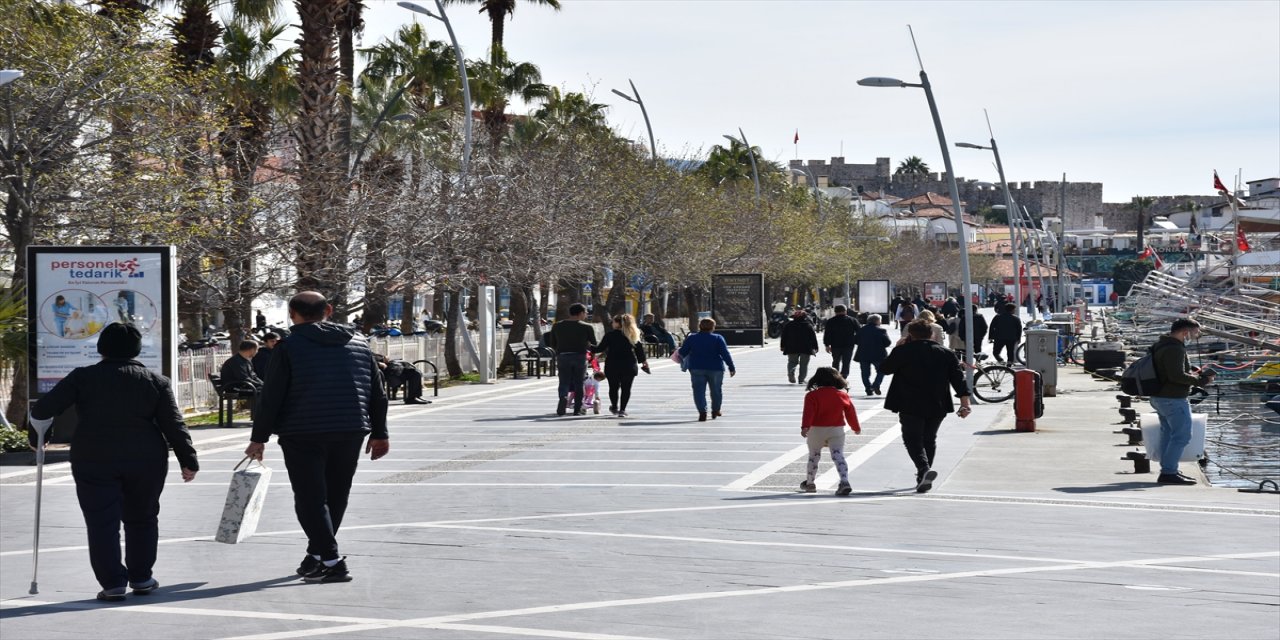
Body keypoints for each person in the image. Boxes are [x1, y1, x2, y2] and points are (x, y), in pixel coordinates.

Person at [29, 323, 198, 601]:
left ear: (101, 348)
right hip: (146, 459)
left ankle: (112, 584)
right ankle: (142, 577)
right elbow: (173, 424)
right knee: (143, 518)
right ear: (137, 349)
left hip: (94, 458)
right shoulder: (155, 381)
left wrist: (39, 437)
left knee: (101, 522)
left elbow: (43, 411)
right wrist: (188, 459)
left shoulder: (82, 377)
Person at [245, 291, 389, 584]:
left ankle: (332, 561)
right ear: (329, 310)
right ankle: (316, 557)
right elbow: (378, 391)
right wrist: (380, 432)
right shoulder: (359, 343)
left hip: (302, 431)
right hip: (351, 429)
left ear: (291, 314)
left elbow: (271, 396)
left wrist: (258, 438)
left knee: (310, 498)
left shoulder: (288, 347)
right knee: (336, 495)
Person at [880, 320, 972, 493]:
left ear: (910, 335)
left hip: (909, 402)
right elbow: (958, 379)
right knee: (929, 438)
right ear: (932, 334)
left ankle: (923, 469)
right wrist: (965, 404)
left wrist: (897, 347)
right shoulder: (946, 353)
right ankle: (923, 475)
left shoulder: (903, 351)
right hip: (937, 402)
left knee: (912, 438)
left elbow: (885, 369)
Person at [1148, 318, 1216, 485]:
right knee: (1182, 436)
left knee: (1168, 434)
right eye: (1195, 332)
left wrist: (1192, 372)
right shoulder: (1174, 349)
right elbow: (1176, 376)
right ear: (1185, 332)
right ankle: (1168, 472)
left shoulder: (1162, 344)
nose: (1196, 335)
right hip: (1172, 398)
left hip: (1160, 397)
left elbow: (1170, 369)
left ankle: (1169, 469)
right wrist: (1201, 381)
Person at [799, 367, 862, 496]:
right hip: (836, 429)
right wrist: (856, 427)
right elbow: (851, 413)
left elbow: (808, 413)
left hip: (816, 430)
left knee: (814, 456)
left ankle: (810, 484)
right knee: (838, 456)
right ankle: (844, 482)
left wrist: (805, 427)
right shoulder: (842, 395)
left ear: (817, 379)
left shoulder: (812, 395)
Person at [677, 318, 736, 421]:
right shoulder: (718, 338)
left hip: (696, 368)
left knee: (698, 391)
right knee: (716, 390)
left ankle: (702, 412)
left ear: (700, 326)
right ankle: (716, 410)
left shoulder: (692, 338)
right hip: (715, 368)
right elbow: (725, 354)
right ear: (713, 327)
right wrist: (731, 367)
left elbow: (682, 352)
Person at [591, 314, 650, 417]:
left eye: (613, 321)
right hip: (628, 365)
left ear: (618, 323)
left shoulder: (610, 335)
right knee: (626, 388)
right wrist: (644, 362)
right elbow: (639, 351)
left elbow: (599, 348)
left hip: (612, 365)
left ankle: (614, 407)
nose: (612, 323)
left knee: (613, 387)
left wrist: (588, 346)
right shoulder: (633, 334)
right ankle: (622, 410)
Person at [546, 302, 598, 416]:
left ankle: (563, 397)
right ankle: (577, 409)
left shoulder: (557, 325)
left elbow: (552, 343)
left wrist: (560, 351)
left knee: (563, 381)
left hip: (563, 356)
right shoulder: (587, 327)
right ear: (580, 313)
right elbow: (593, 344)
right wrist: (592, 355)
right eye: (585, 312)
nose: (586, 314)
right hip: (579, 356)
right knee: (579, 382)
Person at [853, 314, 892, 396]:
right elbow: (888, 342)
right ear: (877, 321)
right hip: (878, 354)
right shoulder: (881, 330)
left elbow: (855, 340)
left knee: (865, 373)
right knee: (881, 370)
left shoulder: (862, 330)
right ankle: (876, 385)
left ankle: (868, 388)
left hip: (863, 354)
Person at [780, 309, 819, 384]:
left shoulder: (788, 325)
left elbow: (783, 336)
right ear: (805, 317)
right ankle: (801, 379)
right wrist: (815, 347)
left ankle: (791, 372)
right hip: (806, 348)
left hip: (791, 347)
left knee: (792, 362)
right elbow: (813, 337)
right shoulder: (808, 325)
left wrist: (782, 346)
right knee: (804, 364)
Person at [822, 304, 861, 378]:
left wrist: (827, 345)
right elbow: (859, 332)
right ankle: (844, 376)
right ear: (845, 311)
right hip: (849, 345)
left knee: (836, 361)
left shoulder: (831, 321)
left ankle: (835, 376)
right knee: (846, 361)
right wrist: (855, 340)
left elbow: (827, 334)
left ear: (835, 312)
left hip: (835, 345)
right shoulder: (852, 320)